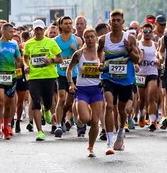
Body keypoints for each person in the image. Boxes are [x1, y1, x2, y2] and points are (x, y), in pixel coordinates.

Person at [99, 10, 141, 154]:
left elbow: (137, 59)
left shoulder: (129, 38)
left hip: (125, 79)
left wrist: (129, 49)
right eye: (113, 20)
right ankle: (109, 143)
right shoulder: (103, 40)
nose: (116, 23)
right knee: (109, 105)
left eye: (118, 20)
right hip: (108, 77)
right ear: (109, 23)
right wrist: (100, 63)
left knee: (122, 110)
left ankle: (121, 132)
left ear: (123, 22)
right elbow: (99, 53)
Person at [67, 27, 105, 157]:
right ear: (84, 38)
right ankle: (78, 120)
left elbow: (107, 70)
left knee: (95, 121)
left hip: (97, 89)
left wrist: (102, 68)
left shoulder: (102, 53)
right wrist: (71, 83)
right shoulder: (78, 54)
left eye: (91, 36)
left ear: (96, 38)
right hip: (82, 89)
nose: (89, 39)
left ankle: (91, 147)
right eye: (87, 37)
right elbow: (69, 70)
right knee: (85, 118)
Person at [24, 19, 63, 141]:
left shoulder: (51, 43)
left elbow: (60, 59)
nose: (39, 31)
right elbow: (25, 57)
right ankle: (40, 132)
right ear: (33, 30)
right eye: (36, 29)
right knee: (35, 103)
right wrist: (26, 65)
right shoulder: (28, 44)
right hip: (34, 77)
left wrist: (51, 61)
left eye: (40, 29)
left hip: (49, 76)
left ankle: (47, 110)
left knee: (48, 102)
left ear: (44, 29)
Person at [54, 16, 83, 137]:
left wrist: (75, 49)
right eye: (65, 23)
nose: (68, 25)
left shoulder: (77, 40)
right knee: (61, 98)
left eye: (70, 23)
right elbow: (53, 57)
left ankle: (64, 118)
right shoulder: (55, 41)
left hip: (74, 73)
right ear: (60, 25)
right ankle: (58, 125)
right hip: (60, 73)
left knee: (70, 102)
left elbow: (83, 57)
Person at [136, 22, 160, 130]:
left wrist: (159, 61)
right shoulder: (137, 44)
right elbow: (135, 58)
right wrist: (137, 62)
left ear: (152, 32)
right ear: (142, 32)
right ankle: (141, 113)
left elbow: (159, 55)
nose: (147, 33)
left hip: (152, 72)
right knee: (142, 99)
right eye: (145, 31)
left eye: (149, 32)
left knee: (151, 96)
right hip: (141, 73)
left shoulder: (155, 44)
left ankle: (152, 120)